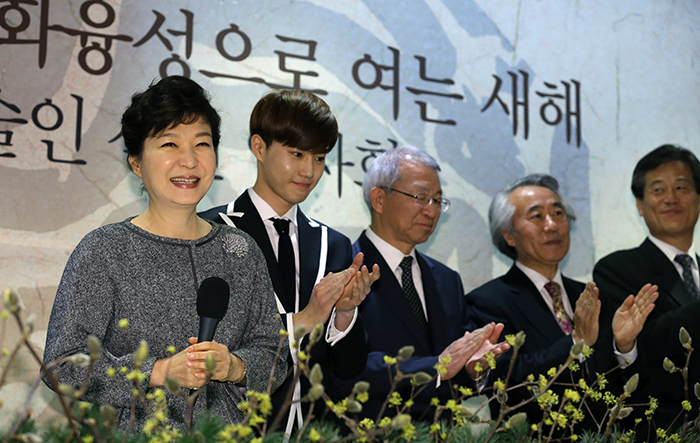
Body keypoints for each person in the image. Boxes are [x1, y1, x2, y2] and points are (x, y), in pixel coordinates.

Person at [42, 76, 287, 431]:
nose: (189, 161)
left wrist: (236, 366)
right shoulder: (105, 251)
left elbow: (274, 354)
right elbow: (62, 365)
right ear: (137, 163)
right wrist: (156, 371)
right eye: (170, 144)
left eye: (202, 144)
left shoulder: (240, 250)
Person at [199, 89, 378, 433]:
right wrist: (305, 318)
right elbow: (209, 342)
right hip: (230, 430)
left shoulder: (334, 245)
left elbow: (348, 368)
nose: (308, 171)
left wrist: (344, 313)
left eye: (320, 158)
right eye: (296, 154)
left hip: (314, 430)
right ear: (259, 148)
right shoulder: (213, 232)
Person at [326, 146, 510, 422]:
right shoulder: (341, 268)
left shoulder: (448, 280)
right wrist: (436, 366)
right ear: (379, 199)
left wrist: (473, 367)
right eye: (421, 198)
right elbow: (342, 369)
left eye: (438, 201)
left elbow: (454, 371)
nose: (432, 211)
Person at [466, 173, 657, 426]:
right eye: (536, 216)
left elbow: (631, 388)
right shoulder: (487, 302)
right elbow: (505, 383)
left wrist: (622, 348)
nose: (551, 225)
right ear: (509, 235)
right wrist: (575, 341)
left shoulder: (593, 296)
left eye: (558, 214)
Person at [594, 144, 700, 433]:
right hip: (668, 429)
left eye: (682, 187)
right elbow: (651, 342)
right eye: (657, 190)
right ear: (639, 205)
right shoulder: (617, 269)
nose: (671, 198)